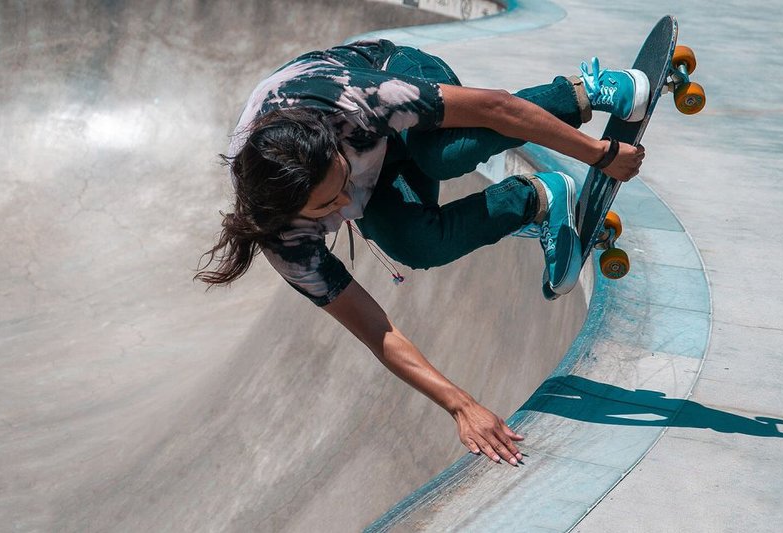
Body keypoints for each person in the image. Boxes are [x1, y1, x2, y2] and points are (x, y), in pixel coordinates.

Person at [196, 39, 647, 467]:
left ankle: (588, 90)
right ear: (292, 215)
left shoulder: (365, 100)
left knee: (444, 155)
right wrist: (460, 405)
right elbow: (377, 331)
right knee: (416, 244)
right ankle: (537, 199)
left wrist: (600, 154)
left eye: (344, 179)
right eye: (329, 205)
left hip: (393, 69)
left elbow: (497, 107)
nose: (347, 201)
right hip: (369, 149)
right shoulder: (286, 241)